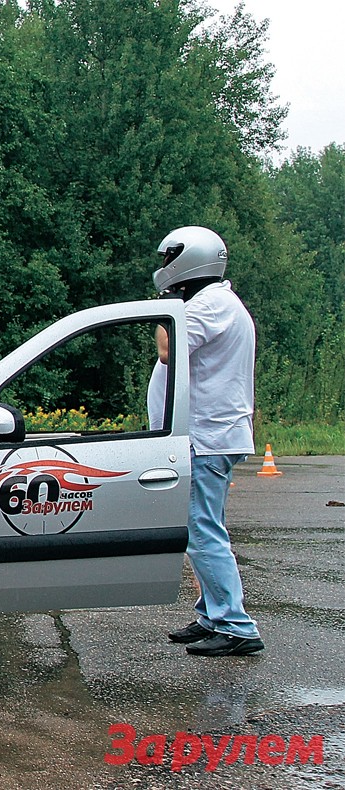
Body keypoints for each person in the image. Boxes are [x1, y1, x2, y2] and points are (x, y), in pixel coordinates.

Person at [152, 226, 263, 657]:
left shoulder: (208, 305)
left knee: (203, 533)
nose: (163, 270)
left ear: (187, 260)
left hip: (208, 438)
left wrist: (164, 310)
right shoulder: (214, 303)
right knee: (204, 528)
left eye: (168, 260)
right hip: (211, 435)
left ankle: (236, 625)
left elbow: (168, 349)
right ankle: (213, 615)